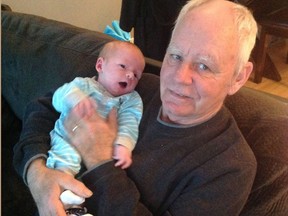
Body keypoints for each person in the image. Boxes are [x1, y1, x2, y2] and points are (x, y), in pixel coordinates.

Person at [14, 0, 258, 215]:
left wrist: (99, 159)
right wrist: (36, 175)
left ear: (238, 77)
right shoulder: (137, 87)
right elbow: (43, 108)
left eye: (204, 66)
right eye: (175, 56)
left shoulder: (230, 168)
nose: (178, 78)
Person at [46, 40, 145, 214]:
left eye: (136, 75)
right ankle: (63, 194)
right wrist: (75, 98)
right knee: (66, 159)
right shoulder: (83, 85)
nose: (130, 75)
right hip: (67, 137)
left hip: (101, 151)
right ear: (100, 65)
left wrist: (124, 145)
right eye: (123, 66)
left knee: (93, 180)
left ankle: (76, 206)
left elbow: (130, 122)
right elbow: (58, 98)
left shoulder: (131, 99)